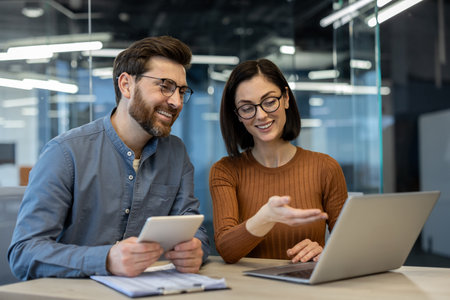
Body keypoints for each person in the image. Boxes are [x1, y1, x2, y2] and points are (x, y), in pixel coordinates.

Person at [8, 36, 209, 280]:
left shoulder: (176, 154)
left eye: (182, 90)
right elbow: (23, 253)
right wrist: (106, 259)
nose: (176, 101)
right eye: (165, 86)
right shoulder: (65, 153)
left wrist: (196, 248)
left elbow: (192, 226)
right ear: (126, 85)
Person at [209, 58, 347, 264]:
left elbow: (349, 247)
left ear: (285, 99)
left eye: (269, 101)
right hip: (250, 292)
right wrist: (266, 217)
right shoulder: (225, 171)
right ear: (237, 115)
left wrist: (324, 252)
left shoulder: (325, 167)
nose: (261, 115)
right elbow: (226, 250)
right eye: (247, 108)